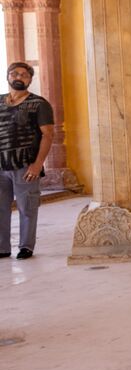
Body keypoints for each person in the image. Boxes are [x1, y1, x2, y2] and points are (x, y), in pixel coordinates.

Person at [0, 61, 54, 260]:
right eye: (15, 74)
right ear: (8, 77)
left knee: (27, 207)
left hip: (26, 165)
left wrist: (38, 164)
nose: (19, 77)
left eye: (24, 75)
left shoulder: (39, 104)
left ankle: (26, 247)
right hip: (0, 165)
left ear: (30, 79)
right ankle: (2, 248)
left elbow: (48, 135)